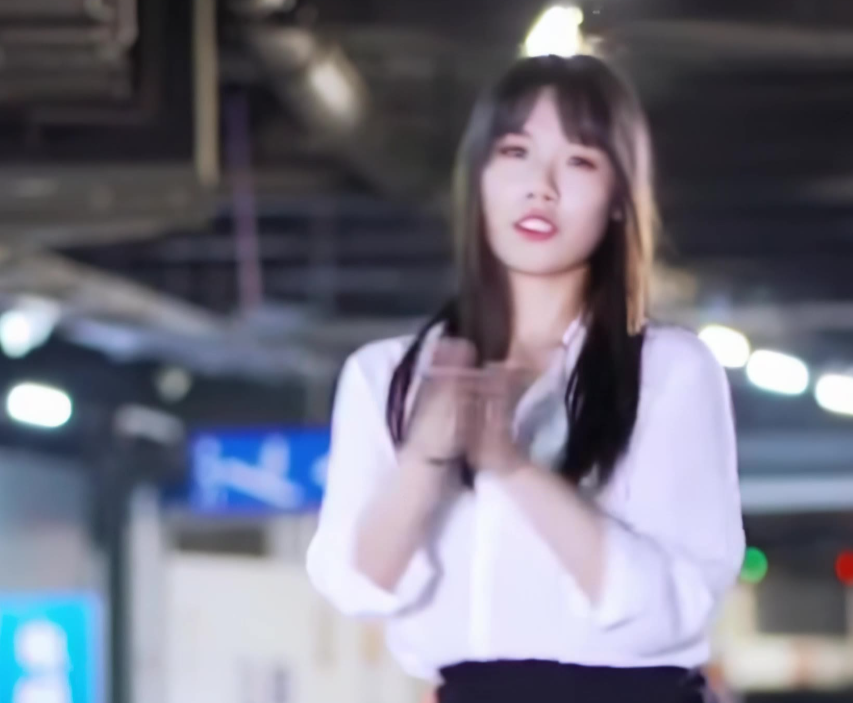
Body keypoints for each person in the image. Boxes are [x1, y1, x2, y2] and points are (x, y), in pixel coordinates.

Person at [307, 54, 745, 703]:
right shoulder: (387, 376)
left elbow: (673, 607)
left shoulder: (669, 371)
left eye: (579, 161)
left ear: (619, 199)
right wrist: (425, 458)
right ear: (478, 179)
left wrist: (513, 468)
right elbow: (357, 584)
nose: (541, 186)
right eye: (515, 152)